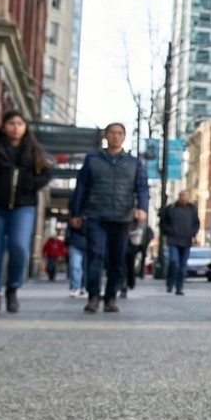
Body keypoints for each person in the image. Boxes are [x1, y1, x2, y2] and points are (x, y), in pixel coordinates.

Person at [0, 110, 52, 315]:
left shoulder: (33, 151)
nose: (15, 127)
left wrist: (32, 185)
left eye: (20, 123)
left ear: (25, 127)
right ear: (3, 126)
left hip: (23, 206)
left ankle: (13, 287)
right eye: (11, 123)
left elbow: (46, 172)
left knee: (19, 247)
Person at [70, 122, 148, 314]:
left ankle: (111, 297)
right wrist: (76, 213)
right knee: (95, 256)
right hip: (96, 215)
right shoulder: (92, 160)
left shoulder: (134, 162)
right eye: (112, 133)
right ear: (106, 136)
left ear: (124, 136)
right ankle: (94, 296)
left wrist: (142, 208)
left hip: (122, 217)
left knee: (117, 260)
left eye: (120, 133)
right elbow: (81, 187)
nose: (116, 136)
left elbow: (142, 188)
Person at [159, 190, 201, 295]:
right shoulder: (171, 208)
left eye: (185, 196)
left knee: (183, 266)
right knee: (173, 261)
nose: (183, 198)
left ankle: (179, 287)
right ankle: (170, 283)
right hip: (173, 239)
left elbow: (196, 223)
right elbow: (163, 222)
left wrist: (193, 233)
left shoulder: (192, 209)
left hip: (186, 241)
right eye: (181, 196)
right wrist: (169, 231)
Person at [124, 218, 153, 296]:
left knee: (129, 264)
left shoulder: (143, 225)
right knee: (126, 264)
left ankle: (128, 283)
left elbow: (149, 234)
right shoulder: (141, 224)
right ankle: (127, 283)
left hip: (134, 246)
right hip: (129, 243)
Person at [65, 218, 86, 298]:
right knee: (76, 266)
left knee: (81, 267)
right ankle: (76, 287)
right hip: (76, 243)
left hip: (83, 243)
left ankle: (80, 287)